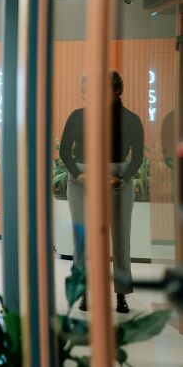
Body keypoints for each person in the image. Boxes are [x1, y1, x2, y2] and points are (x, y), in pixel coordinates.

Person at [60, 70, 143, 313]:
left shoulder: (131, 119)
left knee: (120, 239)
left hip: (118, 180)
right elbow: (65, 151)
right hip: (81, 181)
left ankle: (121, 295)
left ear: (117, 91)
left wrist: (121, 179)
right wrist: (79, 174)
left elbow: (137, 156)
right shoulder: (77, 116)